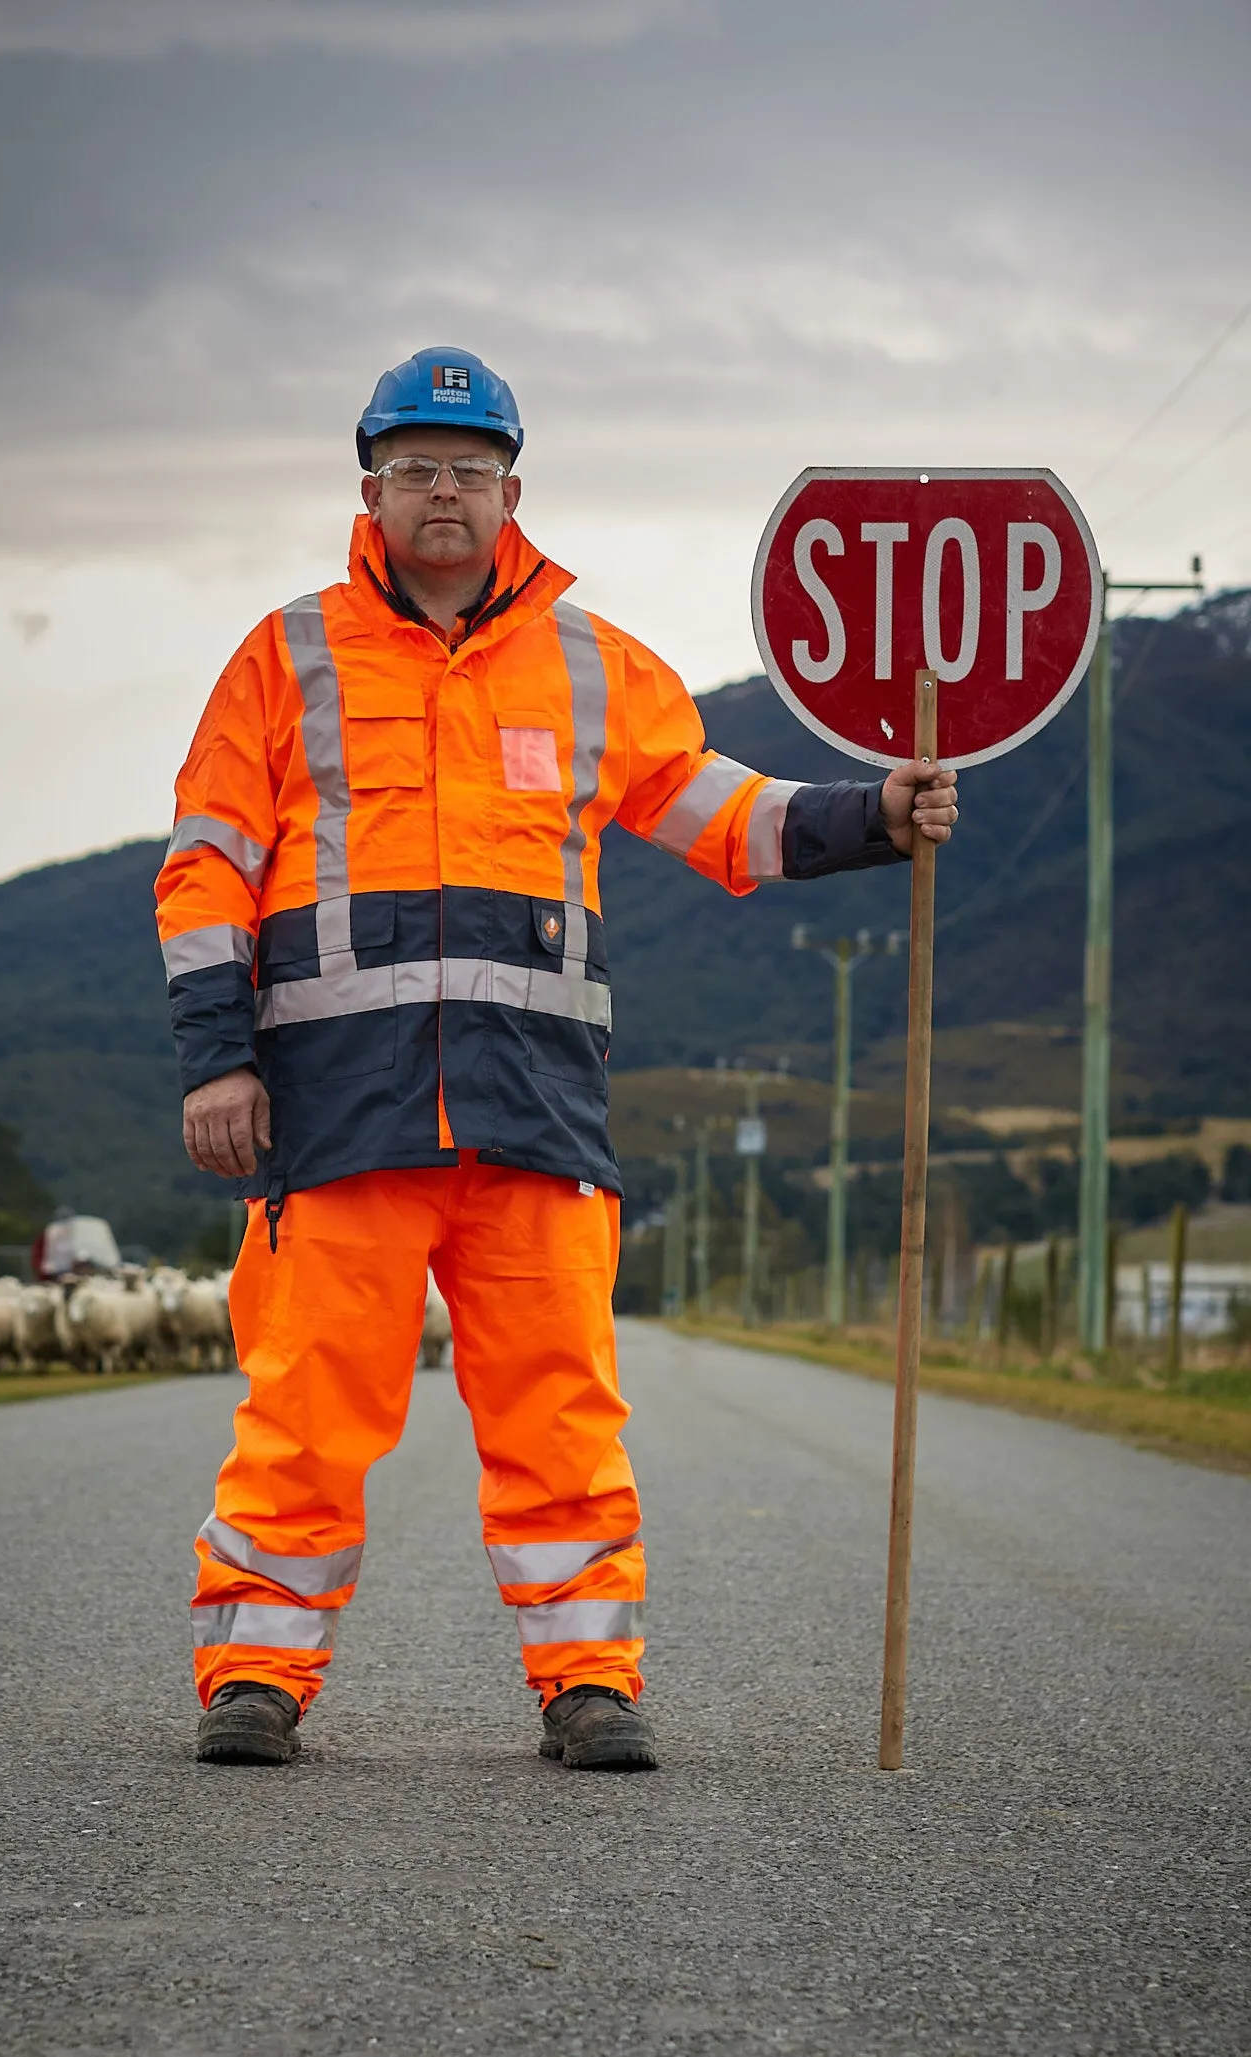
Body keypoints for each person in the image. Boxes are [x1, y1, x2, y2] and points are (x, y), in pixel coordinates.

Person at [155, 348, 958, 1770]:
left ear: (512, 489)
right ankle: (255, 1679)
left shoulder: (594, 662)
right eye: (416, 467)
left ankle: (589, 1682)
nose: (444, 491)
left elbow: (732, 819)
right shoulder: (285, 657)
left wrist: (880, 814)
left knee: (560, 1412)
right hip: (341, 1117)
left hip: (535, 1117)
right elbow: (209, 866)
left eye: (468, 468)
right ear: (371, 490)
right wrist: (221, 1062)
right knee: (306, 1406)